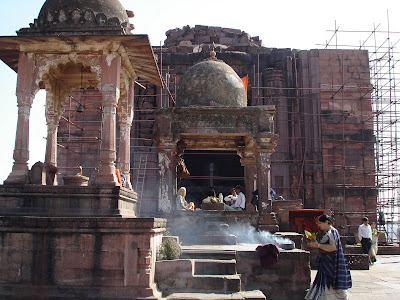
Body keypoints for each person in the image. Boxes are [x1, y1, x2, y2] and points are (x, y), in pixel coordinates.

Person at [305, 214, 352, 299]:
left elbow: (333, 247)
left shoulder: (331, 232)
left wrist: (318, 245)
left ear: (327, 222)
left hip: (330, 263)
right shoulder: (330, 232)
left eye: (320, 223)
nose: (319, 226)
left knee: (329, 284)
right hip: (326, 262)